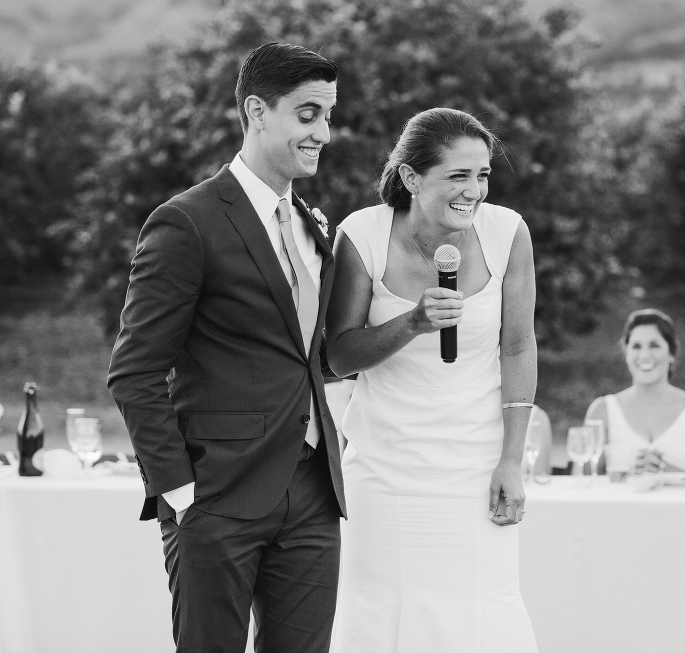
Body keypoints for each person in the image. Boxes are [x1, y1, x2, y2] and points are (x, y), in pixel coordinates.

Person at [107, 43, 345, 653]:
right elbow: (134, 372)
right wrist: (181, 493)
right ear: (257, 111)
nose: (324, 131)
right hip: (217, 497)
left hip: (313, 494)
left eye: (327, 114)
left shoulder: (312, 225)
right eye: (308, 113)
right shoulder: (185, 222)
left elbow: (307, 353)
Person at [326, 107, 537, 651]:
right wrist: (412, 322)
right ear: (412, 177)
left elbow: (517, 347)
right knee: (380, 609)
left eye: (483, 175)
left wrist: (512, 459)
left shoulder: (507, 232)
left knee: (482, 608)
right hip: (385, 466)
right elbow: (339, 354)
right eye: (459, 176)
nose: (475, 191)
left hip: (477, 463)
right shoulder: (362, 234)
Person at [584, 309, 685, 474]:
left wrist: (664, 470)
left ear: (671, 353)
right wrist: (628, 474)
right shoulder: (601, 411)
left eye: (654, 345)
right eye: (636, 346)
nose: (644, 355)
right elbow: (584, 485)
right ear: (626, 354)